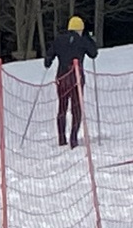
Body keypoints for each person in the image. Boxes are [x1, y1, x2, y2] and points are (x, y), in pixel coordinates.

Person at [42, 15, 98, 149]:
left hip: (62, 77)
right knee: (76, 108)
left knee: (62, 107)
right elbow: (93, 53)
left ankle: (61, 138)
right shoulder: (82, 40)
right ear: (80, 29)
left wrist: (49, 61)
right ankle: (73, 138)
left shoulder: (59, 40)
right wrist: (89, 38)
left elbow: (48, 59)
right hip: (76, 78)